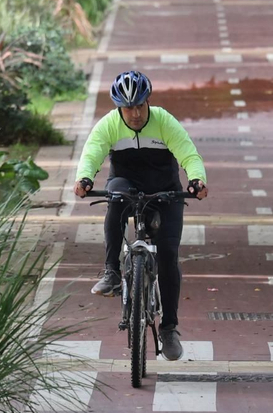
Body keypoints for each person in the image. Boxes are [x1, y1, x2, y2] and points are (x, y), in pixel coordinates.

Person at [74, 71, 208, 361]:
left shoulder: (164, 121)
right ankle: (111, 272)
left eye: (139, 106)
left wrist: (196, 180)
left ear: (148, 102)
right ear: (118, 108)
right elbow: (92, 153)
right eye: (128, 108)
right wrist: (85, 178)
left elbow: (188, 154)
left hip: (165, 191)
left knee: (168, 255)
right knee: (115, 200)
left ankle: (169, 329)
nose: (134, 114)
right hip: (127, 183)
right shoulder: (109, 124)